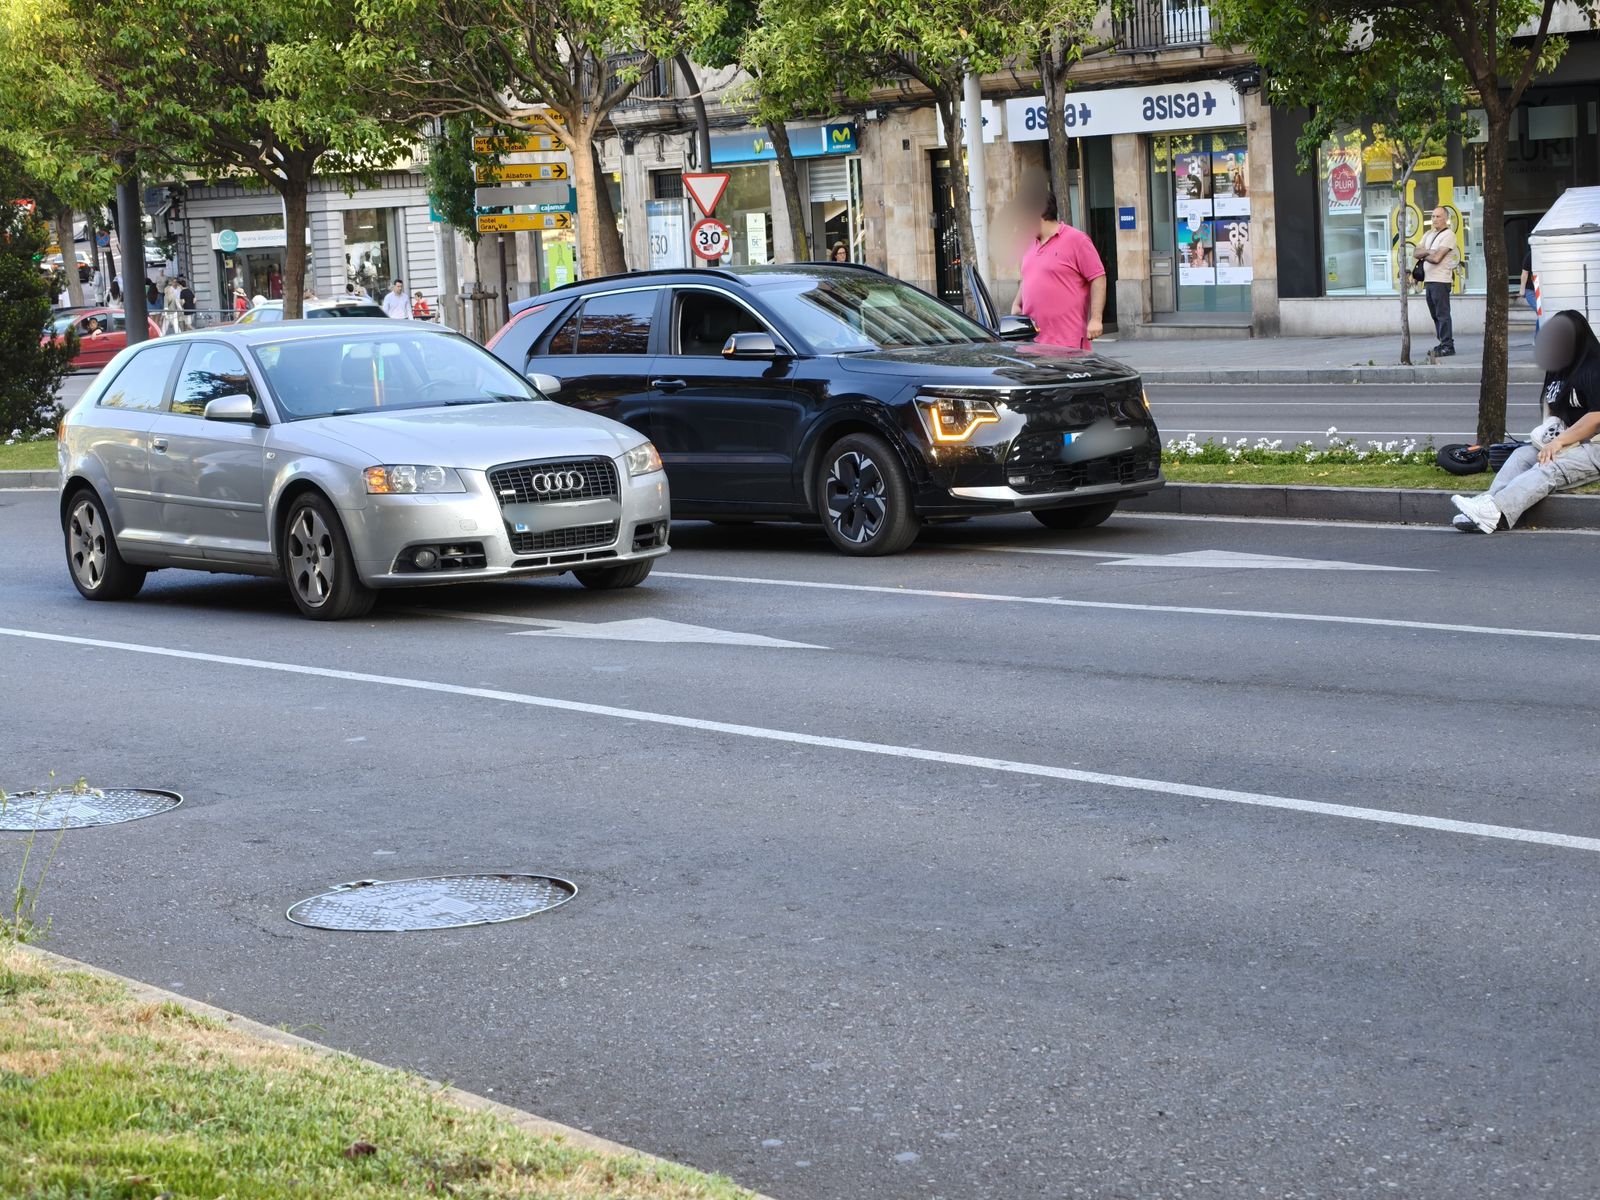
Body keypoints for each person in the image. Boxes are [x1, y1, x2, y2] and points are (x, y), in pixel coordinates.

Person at [1451, 310, 1600, 534]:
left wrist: (1559, 443)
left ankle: (1496, 512)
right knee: (1522, 456)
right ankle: (1487, 505)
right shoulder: (1558, 368)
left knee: (1547, 468)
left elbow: (1597, 417)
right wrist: (1546, 439)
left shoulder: (1595, 366)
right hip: (1568, 441)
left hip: (1595, 446)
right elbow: (1554, 411)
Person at [1010, 191, 1107, 352]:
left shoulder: (1077, 240)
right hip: (1030, 342)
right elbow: (1028, 276)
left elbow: (1098, 277)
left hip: (1066, 342)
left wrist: (1096, 319)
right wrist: (1016, 303)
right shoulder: (1029, 244)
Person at [1412, 206, 1458, 357]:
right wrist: (1427, 252)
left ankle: (1448, 346)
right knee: (1435, 314)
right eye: (1432, 216)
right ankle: (1443, 342)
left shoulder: (1449, 235)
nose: (1434, 219)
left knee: (1442, 314)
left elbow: (1437, 258)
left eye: (1438, 216)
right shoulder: (1429, 234)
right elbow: (1415, 252)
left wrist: (1424, 254)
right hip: (1429, 280)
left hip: (1441, 280)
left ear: (1445, 218)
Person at [1520, 244, 1540, 335]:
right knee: (1541, 313)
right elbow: (1524, 273)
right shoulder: (1530, 256)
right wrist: (1522, 289)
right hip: (1530, 291)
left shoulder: (1544, 256)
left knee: (1542, 314)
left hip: (1541, 290)